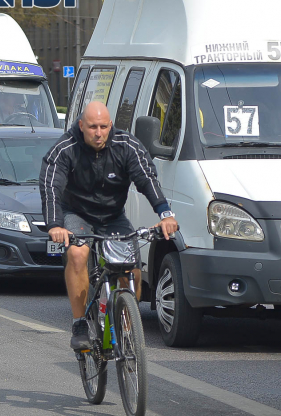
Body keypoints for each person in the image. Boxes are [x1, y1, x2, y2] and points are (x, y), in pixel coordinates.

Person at [40, 101, 178, 350]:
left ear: (110, 125)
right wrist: (54, 224)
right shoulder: (65, 148)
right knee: (77, 253)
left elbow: (147, 178)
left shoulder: (126, 145)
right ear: (81, 125)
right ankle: (80, 322)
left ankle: (127, 323)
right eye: (92, 126)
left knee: (132, 266)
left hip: (113, 216)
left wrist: (165, 214)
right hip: (77, 215)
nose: (98, 132)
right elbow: (51, 187)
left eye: (104, 126)